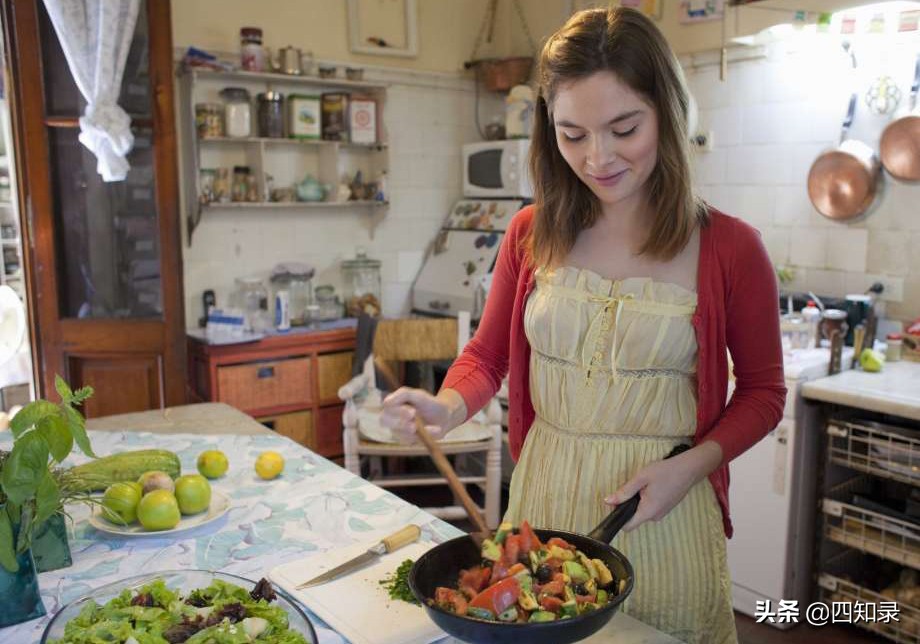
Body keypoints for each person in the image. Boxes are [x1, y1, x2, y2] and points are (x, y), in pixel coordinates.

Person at [382, 7, 785, 643]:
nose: (597, 158)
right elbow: (488, 356)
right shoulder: (529, 232)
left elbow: (764, 392)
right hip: (545, 495)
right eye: (572, 135)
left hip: (662, 508)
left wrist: (692, 467)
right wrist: (447, 406)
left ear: (669, 114)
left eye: (624, 128)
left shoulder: (731, 248)